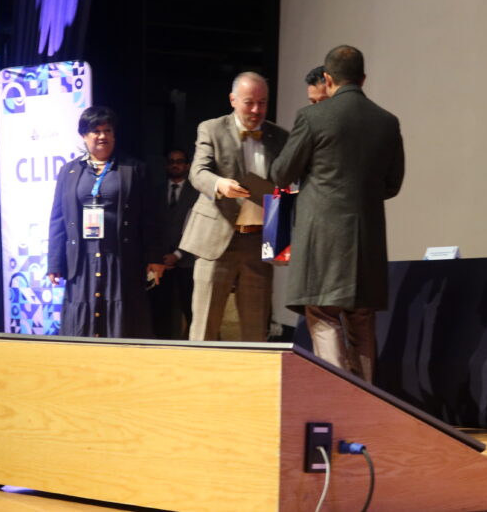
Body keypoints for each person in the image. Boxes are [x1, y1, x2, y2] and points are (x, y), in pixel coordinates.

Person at [270, 46, 405, 382]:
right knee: (361, 320)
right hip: (366, 240)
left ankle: (339, 395)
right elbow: (392, 185)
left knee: (323, 314)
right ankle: (366, 398)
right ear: (363, 78)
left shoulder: (312, 117)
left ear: (328, 79)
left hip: (322, 240)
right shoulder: (387, 122)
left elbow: (281, 174)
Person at [179, 72, 289, 341]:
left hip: (258, 241)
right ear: (233, 100)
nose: (256, 110)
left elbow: (284, 187)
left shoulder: (279, 136)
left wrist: (282, 241)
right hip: (217, 239)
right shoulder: (212, 129)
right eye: (249, 102)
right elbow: (197, 172)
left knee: (256, 331)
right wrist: (219, 184)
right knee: (204, 328)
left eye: (262, 103)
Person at [47, 106, 166, 338]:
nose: (103, 136)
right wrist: (54, 262)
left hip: (121, 259)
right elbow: (58, 219)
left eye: (108, 131)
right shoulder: (68, 172)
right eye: (96, 131)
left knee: (122, 323)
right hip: (81, 261)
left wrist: (155, 256)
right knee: (82, 323)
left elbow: (151, 216)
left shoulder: (134, 169)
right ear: (84, 135)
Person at [148, 148, 197, 339]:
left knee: (191, 309)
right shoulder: (156, 192)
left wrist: (177, 255)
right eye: (171, 161)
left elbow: (197, 228)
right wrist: (159, 256)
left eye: (179, 161)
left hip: (187, 261)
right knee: (160, 310)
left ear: (187, 165)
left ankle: (194, 349)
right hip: (160, 262)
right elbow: (151, 225)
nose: (175, 165)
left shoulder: (197, 193)